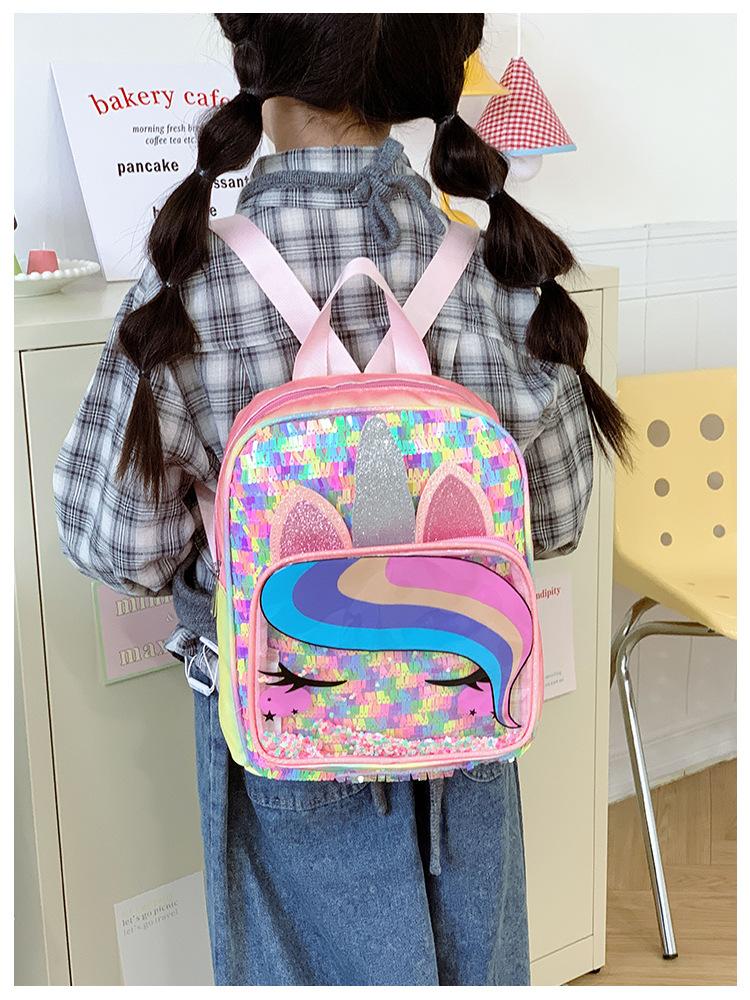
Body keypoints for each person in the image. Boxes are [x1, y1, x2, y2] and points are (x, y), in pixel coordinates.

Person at [54, 14, 629, 987]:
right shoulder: (495, 264)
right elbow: (558, 518)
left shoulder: (191, 279)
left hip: (285, 717)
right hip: (463, 707)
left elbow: (117, 546)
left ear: (256, 59)